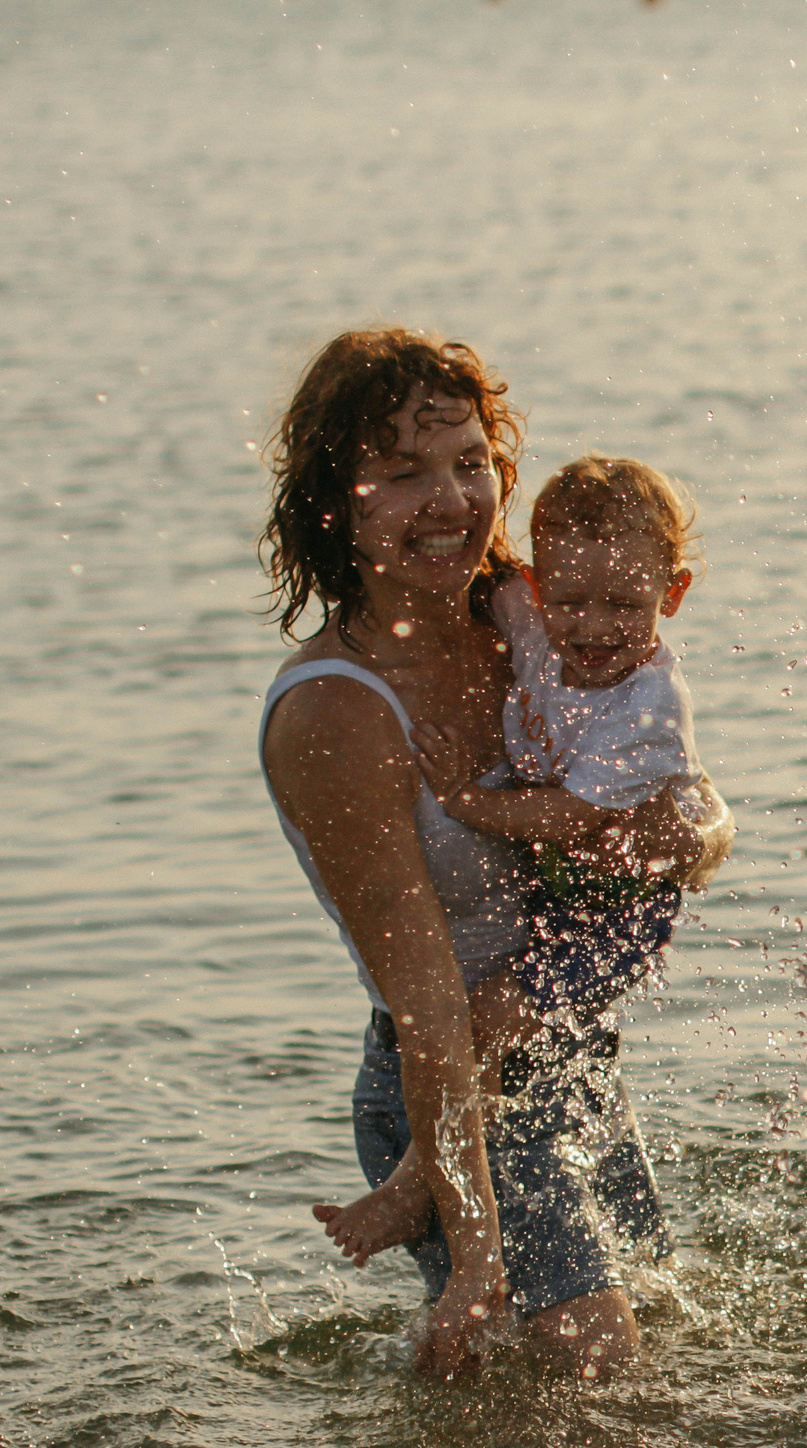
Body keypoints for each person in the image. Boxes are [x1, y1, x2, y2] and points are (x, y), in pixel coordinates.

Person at [257, 329, 733, 1377]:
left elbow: (674, 771)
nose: (450, 502)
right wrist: (472, 1250)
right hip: (446, 1086)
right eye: (401, 472)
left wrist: (696, 834)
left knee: (639, 1357)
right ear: (335, 503)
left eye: (471, 464)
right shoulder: (336, 713)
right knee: (590, 1360)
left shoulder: (529, 612)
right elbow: (429, 1011)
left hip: (563, 1048)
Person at [323, 455, 713, 1265]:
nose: (596, 628)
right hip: (559, 894)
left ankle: (415, 1186)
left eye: (625, 605)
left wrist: (467, 802)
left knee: (498, 1012)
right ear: (539, 591)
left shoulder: (648, 705)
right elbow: (482, 562)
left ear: (670, 596)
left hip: (619, 908)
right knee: (499, 1016)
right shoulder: (532, 618)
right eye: (571, 601)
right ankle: (447, 1181)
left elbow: (572, 819)